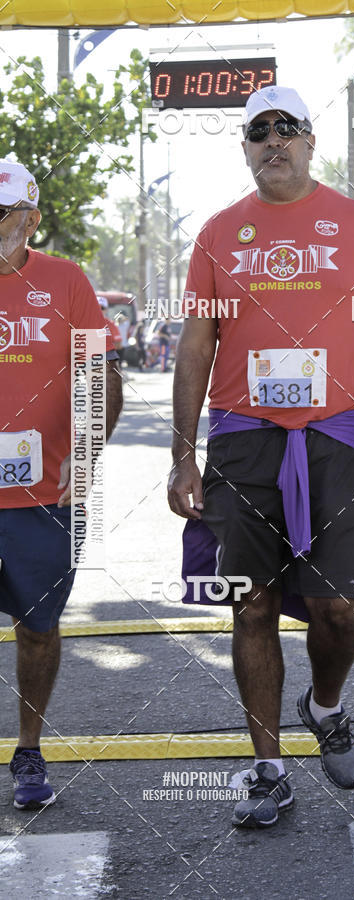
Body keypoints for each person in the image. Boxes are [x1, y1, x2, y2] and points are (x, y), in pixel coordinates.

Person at [168, 86, 354, 827]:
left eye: (287, 129)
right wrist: (185, 455)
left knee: (340, 609)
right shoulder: (218, 234)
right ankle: (268, 769)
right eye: (258, 132)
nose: (273, 141)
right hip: (243, 440)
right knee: (254, 605)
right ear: (244, 146)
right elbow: (195, 348)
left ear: (310, 141)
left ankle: (326, 705)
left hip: (332, 437)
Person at [0, 159, 123, 809]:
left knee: (38, 628)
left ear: (29, 219)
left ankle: (28, 750)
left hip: (44, 494)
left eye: (2, 217)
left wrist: (83, 458)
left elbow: (103, 381)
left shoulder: (66, 282)